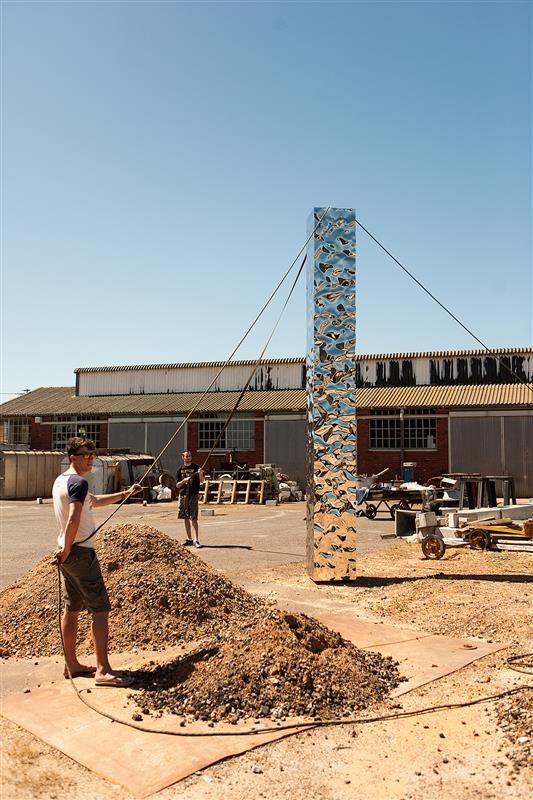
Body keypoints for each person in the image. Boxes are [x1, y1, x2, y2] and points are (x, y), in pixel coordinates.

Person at [52, 436, 142, 687]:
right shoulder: (78, 483)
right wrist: (69, 549)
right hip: (79, 553)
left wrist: (126, 493)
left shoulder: (63, 481)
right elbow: (73, 519)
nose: (90, 460)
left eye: (92, 455)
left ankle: (72, 664)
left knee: (72, 608)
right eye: (84, 455)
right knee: (100, 610)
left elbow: (95, 502)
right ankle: (103, 670)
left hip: (68, 553)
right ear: (72, 457)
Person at [176, 450, 204, 548]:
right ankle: (189, 539)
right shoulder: (180, 470)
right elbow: (177, 485)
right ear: (182, 457)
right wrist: (184, 481)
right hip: (183, 495)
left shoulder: (196, 467)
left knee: (194, 517)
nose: (188, 458)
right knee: (185, 517)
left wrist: (200, 474)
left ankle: (196, 540)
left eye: (190, 456)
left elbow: (202, 481)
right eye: (187, 456)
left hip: (193, 495)